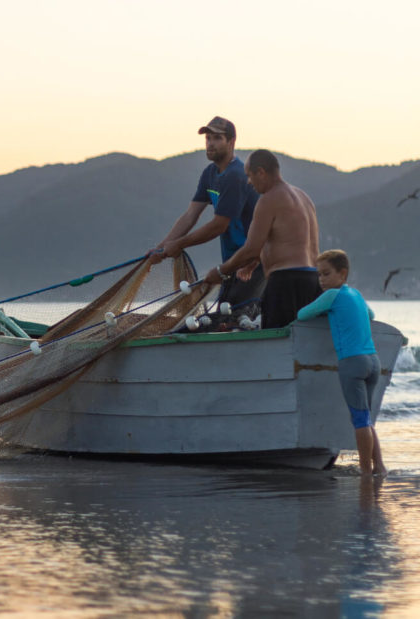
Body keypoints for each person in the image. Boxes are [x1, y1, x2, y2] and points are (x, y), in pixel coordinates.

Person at [150, 116, 265, 313]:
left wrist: (179, 244)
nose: (210, 144)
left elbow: (219, 225)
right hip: (232, 263)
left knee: (238, 318)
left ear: (231, 142)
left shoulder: (235, 175)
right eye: (208, 138)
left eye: (217, 138)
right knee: (225, 317)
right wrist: (161, 247)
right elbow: (190, 215)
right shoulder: (210, 174)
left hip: (254, 262)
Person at [204, 149, 321, 329]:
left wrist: (220, 271)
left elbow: (251, 247)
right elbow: (289, 240)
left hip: (285, 282)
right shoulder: (303, 197)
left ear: (261, 172)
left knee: (275, 344)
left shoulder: (268, 199)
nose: (249, 182)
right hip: (313, 280)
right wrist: (255, 260)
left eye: (250, 176)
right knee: (305, 340)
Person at [296, 249, 386, 477]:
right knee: (366, 417)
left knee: (359, 419)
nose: (321, 280)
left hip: (352, 362)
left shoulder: (331, 296)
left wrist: (327, 311)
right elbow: (371, 315)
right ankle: (380, 467)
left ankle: (366, 471)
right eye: (319, 275)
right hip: (373, 361)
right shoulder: (356, 294)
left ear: (342, 274)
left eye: (326, 274)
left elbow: (303, 314)